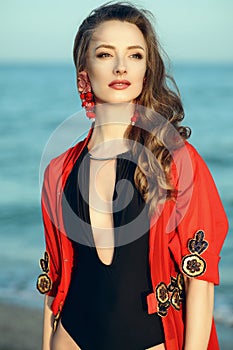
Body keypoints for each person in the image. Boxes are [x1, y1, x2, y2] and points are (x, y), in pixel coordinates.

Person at [36, 2, 228, 349]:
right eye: (106, 54)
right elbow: (55, 283)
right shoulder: (57, 172)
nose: (121, 66)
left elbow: (200, 279)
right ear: (85, 70)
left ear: (146, 69)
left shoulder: (175, 162)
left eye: (135, 55)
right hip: (70, 340)